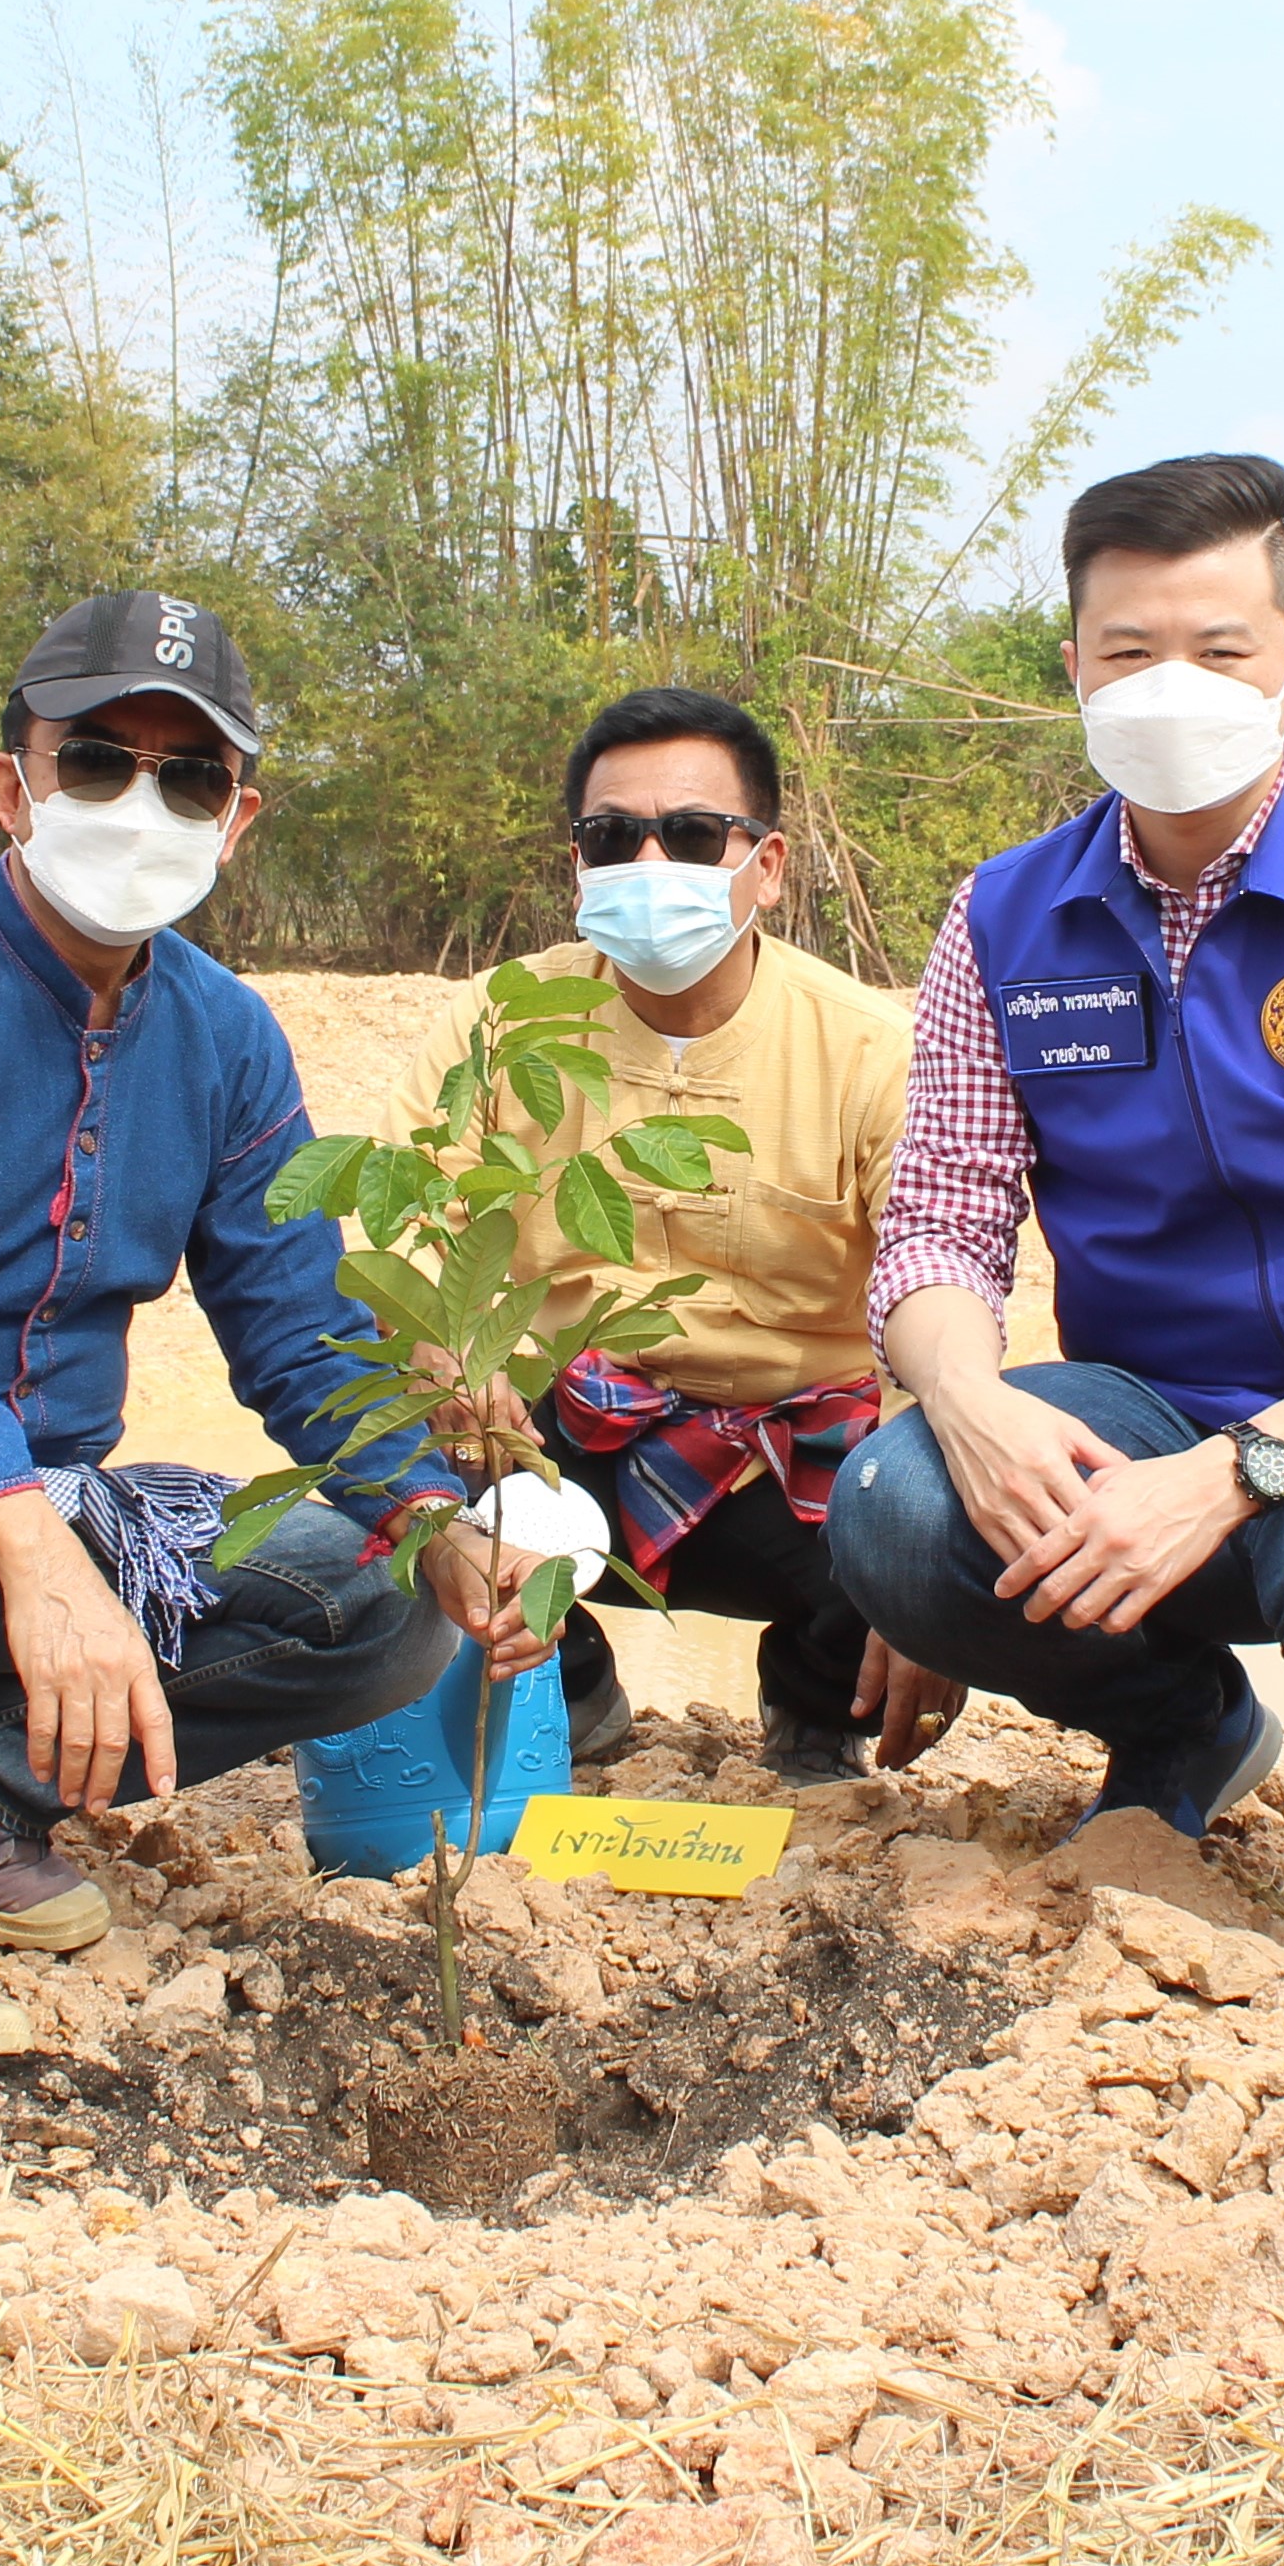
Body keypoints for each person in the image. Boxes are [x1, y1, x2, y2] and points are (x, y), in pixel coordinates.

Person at [0, 592, 540, 2066]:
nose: (143, 804)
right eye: (97, 762)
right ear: (12, 787)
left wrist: (429, 1511)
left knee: (378, 1596)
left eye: (188, 776)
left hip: (35, 1528)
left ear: (236, 819)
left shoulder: (226, 1035)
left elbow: (295, 1323)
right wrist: (31, 1549)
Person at [834, 452, 1284, 1988]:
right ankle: (1182, 1728)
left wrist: (1244, 1471)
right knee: (897, 1505)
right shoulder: (1004, 918)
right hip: (1144, 1407)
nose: (1173, 687)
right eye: (1130, 652)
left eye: (1221, 651)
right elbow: (939, 1225)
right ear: (1074, 671)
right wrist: (965, 1406)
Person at [477, 685, 952, 1785]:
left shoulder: (874, 1054)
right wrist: (448, 1377)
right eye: (611, 838)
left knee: (935, 1514)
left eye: (691, 836)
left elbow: (946, 1284)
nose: (649, 864)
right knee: (403, 1465)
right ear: (578, 866)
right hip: (572, 1436)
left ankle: (815, 1709)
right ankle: (572, 1685)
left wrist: (942, 1565)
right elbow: (416, 1235)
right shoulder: (504, 1024)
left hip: (796, 1463)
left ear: (769, 867)